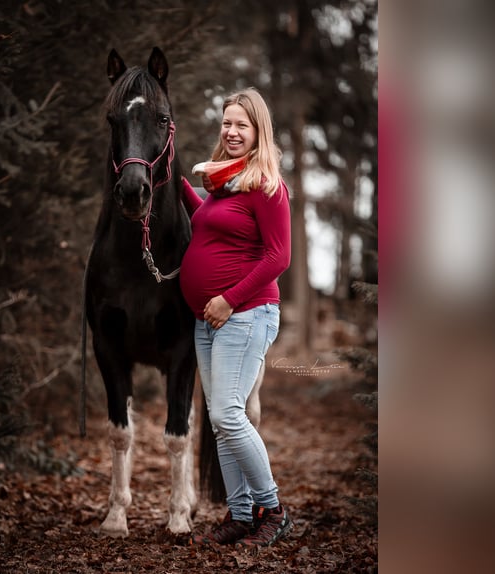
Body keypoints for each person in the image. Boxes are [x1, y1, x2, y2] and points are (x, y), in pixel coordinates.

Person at [179, 88, 293, 548]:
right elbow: (208, 222)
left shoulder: (267, 185)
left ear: (257, 131)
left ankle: (273, 509)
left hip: (247, 313)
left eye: (241, 125)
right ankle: (242, 515)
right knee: (219, 417)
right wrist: (176, 183)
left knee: (228, 413)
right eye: (226, 123)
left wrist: (229, 298)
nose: (231, 131)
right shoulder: (223, 183)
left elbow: (279, 256)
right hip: (209, 320)